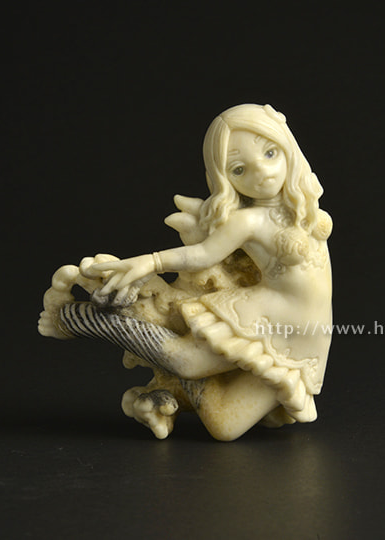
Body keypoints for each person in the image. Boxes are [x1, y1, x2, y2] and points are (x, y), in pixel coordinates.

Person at [42, 104, 332, 441]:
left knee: (225, 427)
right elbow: (202, 254)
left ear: (287, 146)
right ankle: (81, 320)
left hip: (309, 332)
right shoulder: (248, 221)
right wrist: (151, 261)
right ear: (225, 180)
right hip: (268, 314)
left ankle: (167, 392)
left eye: (270, 153)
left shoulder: (304, 201)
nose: (263, 173)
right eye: (240, 169)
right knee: (186, 361)